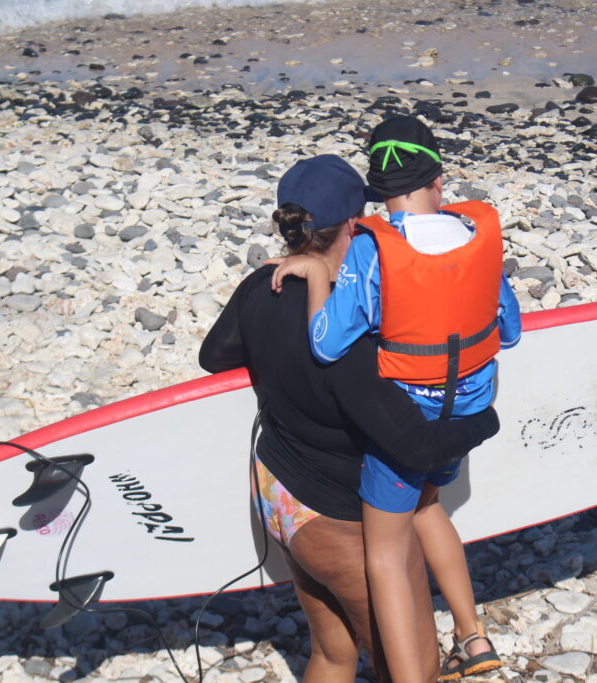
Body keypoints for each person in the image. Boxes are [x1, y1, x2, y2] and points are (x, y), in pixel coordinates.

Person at [199, 154, 501, 682]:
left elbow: (214, 356)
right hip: (336, 521)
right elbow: (418, 449)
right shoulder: (350, 340)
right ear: (357, 228)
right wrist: (487, 420)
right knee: (411, 670)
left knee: (334, 654)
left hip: (278, 494)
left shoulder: (260, 285)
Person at [271, 117, 521, 683]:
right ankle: (471, 634)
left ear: (378, 194)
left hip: (412, 414)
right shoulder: (478, 234)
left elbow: (326, 345)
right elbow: (509, 331)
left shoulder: (372, 247)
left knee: (383, 552)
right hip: (473, 400)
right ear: (438, 179)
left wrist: (315, 278)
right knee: (428, 504)